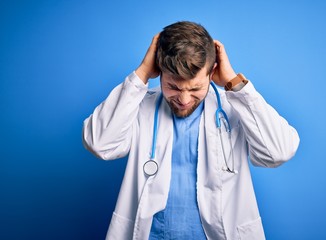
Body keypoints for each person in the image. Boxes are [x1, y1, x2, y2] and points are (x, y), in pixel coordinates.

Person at [82, 21, 300, 240]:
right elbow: (100, 143)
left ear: (212, 72)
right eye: (173, 87)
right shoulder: (140, 106)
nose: (184, 99)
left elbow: (278, 152)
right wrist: (141, 75)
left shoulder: (233, 107)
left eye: (195, 88)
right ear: (159, 71)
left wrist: (236, 85)